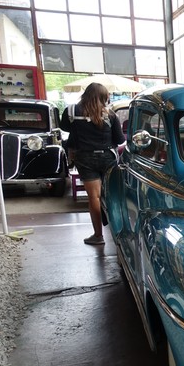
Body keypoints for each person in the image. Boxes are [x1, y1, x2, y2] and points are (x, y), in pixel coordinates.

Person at [60, 83, 125, 245]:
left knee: (94, 197)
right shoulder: (110, 115)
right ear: (104, 97)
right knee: (112, 195)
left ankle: (98, 236)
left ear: (85, 94)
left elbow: (65, 127)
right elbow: (120, 140)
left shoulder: (71, 111)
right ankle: (120, 234)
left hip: (85, 158)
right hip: (107, 158)